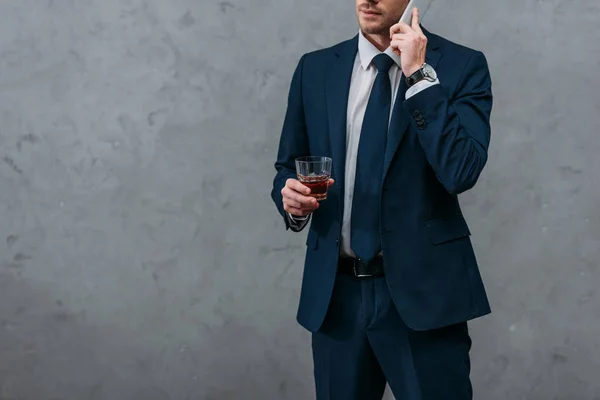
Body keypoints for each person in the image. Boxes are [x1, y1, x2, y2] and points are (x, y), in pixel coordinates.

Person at [271, 0, 493, 398]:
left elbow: (460, 172)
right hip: (336, 299)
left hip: (424, 297)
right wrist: (291, 198)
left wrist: (420, 77)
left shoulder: (461, 66)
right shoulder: (315, 69)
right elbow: (288, 166)